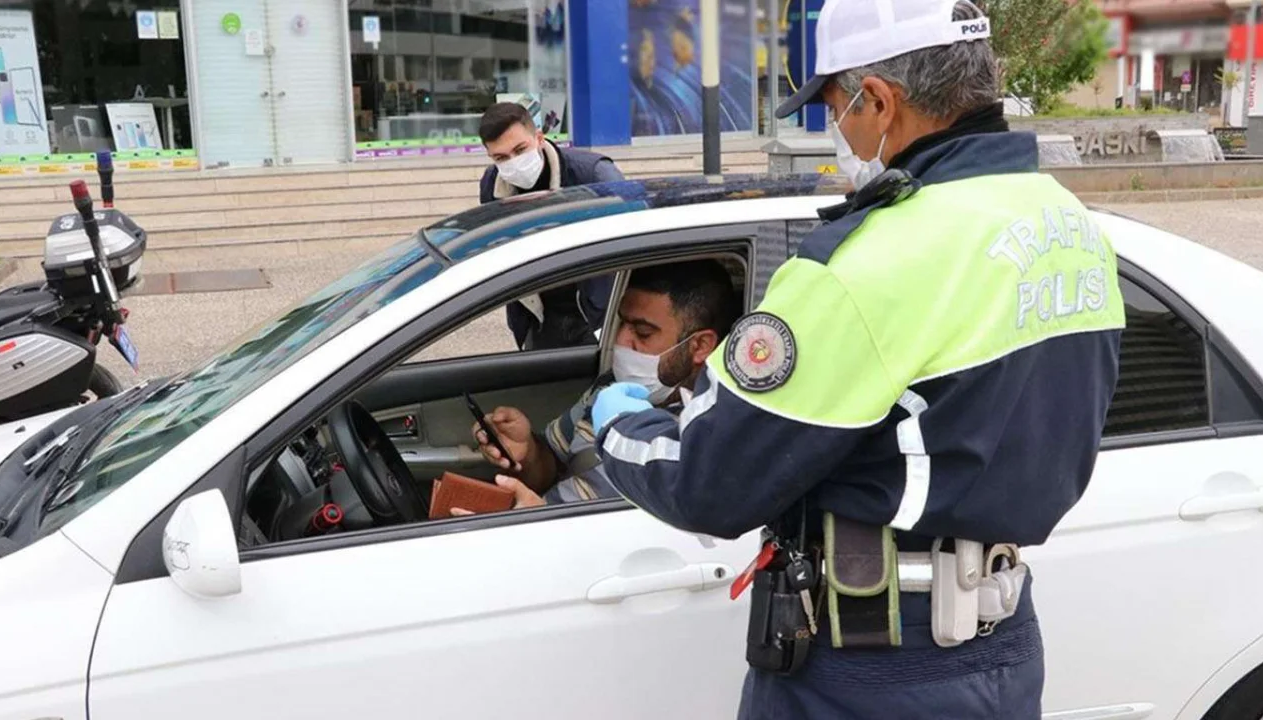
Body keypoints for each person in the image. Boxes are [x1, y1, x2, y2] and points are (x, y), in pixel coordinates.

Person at [587, 1, 1127, 718]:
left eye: (836, 108)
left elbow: (709, 484)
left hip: (873, 668)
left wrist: (613, 419)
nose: (836, 130)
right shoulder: (1066, 222)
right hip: (1005, 648)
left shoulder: (866, 263)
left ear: (879, 99)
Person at [461, 260, 740, 513]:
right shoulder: (611, 388)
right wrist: (529, 453)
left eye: (642, 333)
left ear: (699, 346)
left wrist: (536, 520)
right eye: (622, 323)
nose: (621, 341)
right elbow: (555, 464)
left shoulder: (701, 438)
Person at [478, 102, 625, 351]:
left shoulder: (593, 176)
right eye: (501, 158)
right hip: (537, 320)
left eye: (520, 149)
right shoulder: (493, 185)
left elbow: (631, 245)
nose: (513, 163)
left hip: (596, 315)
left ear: (539, 138)